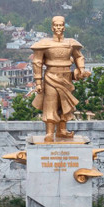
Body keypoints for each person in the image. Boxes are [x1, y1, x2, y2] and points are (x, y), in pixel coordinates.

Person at [29, 15, 89, 143]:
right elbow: (37, 62)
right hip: (51, 76)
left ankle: (62, 130)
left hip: (66, 76)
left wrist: (81, 69)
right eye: (56, 25)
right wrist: (38, 82)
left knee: (65, 105)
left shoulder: (70, 43)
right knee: (51, 104)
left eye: (60, 25)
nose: (58, 28)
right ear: (52, 27)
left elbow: (79, 57)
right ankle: (50, 132)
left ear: (64, 27)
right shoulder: (45, 44)